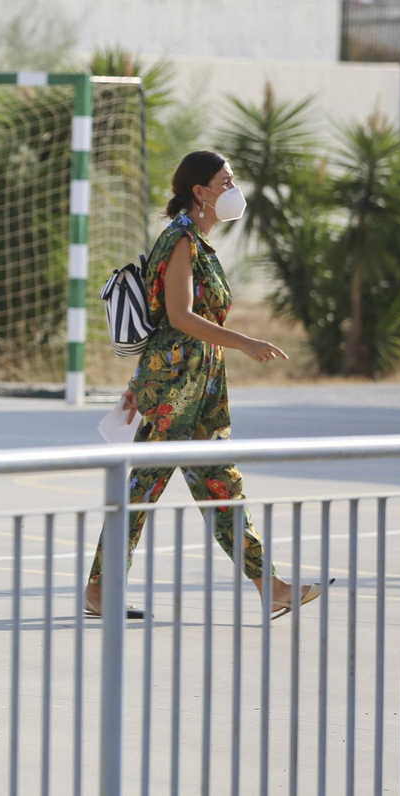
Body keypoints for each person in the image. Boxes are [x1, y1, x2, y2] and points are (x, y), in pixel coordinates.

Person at [83, 150, 325, 619]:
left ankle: (270, 586)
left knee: (221, 486)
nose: (233, 189)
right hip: (175, 386)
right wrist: (244, 342)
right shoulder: (180, 240)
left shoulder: (198, 241)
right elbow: (177, 317)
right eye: (226, 180)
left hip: (201, 384)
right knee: (142, 491)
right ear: (201, 191)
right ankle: (98, 590)